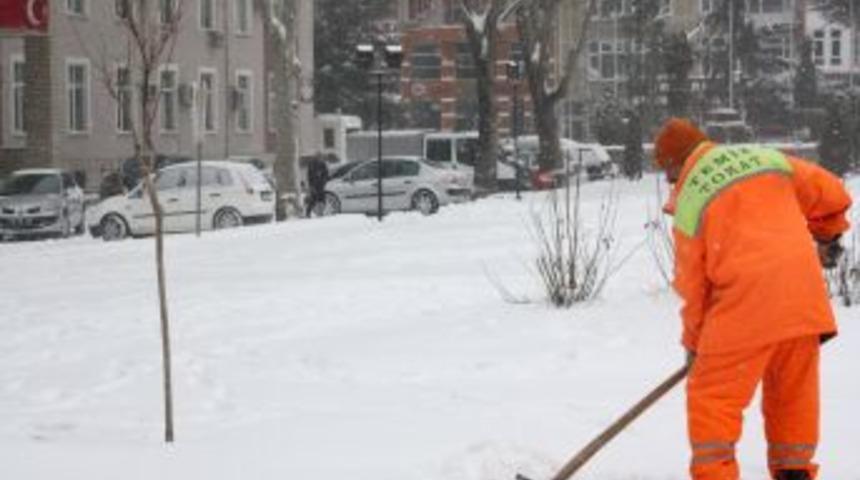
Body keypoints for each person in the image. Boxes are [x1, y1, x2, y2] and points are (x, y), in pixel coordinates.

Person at [653, 118, 852, 480]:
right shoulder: (766, 159)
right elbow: (830, 192)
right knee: (792, 394)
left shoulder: (691, 199)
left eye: (668, 176)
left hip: (745, 306)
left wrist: (695, 345)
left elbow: (693, 288)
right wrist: (828, 234)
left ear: (674, 165)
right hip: (802, 300)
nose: (671, 184)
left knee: (714, 399)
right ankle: (794, 471)